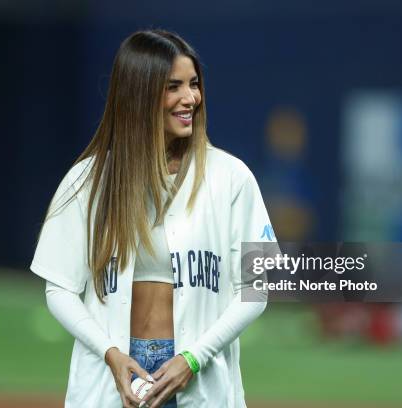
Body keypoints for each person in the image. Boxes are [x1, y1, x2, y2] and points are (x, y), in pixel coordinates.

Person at [30, 29, 274, 408]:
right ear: (139, 93)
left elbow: (256, 287)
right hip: (112, 378)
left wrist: (193, 359)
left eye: (194, 84)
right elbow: (60, 289)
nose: (190, 98)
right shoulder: (88, 181)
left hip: (199, 375)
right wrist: (111, 353)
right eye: (172, 86)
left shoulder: (232, 177)